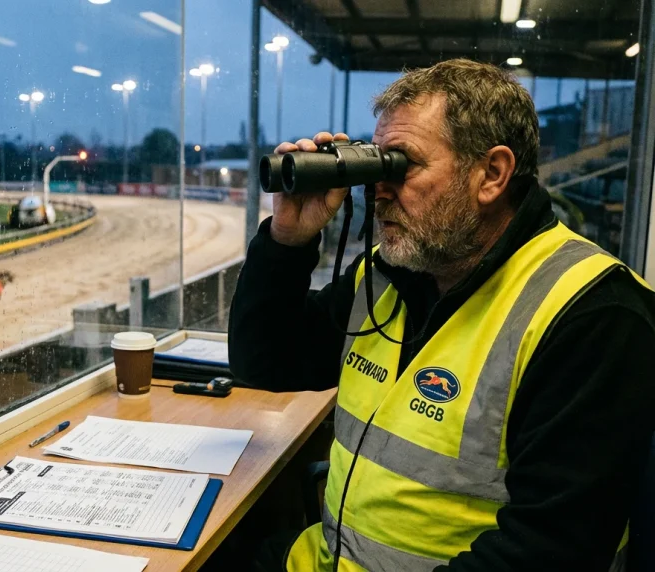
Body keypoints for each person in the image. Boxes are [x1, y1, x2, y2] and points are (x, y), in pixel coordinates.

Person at [229, 58, 655, 571]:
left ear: (492, 175)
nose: (378, 189)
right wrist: (288, 240)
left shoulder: (593, 314)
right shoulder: (389, 274)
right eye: (375, 163)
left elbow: (549, 551)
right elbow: (266, 368)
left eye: (400, 165)